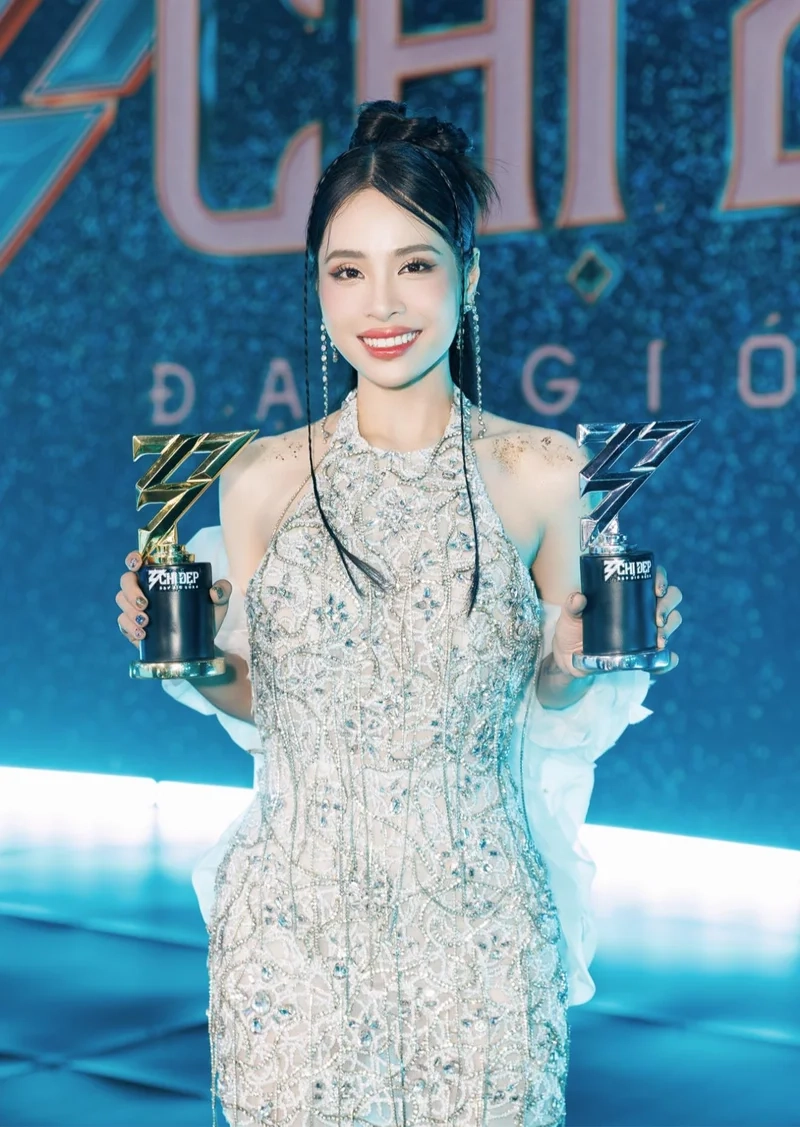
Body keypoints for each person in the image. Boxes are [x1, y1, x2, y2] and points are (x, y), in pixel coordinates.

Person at [115, 101, 682, 1127]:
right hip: (287, 939)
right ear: (318, 286)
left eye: (414, 264)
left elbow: (551, 701)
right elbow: (272, 706)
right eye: (347, 270)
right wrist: (193, 660)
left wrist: (576, 655)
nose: (380, 302)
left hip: (480, 934)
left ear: (469, 276)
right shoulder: (259, 479)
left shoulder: (542, 471)